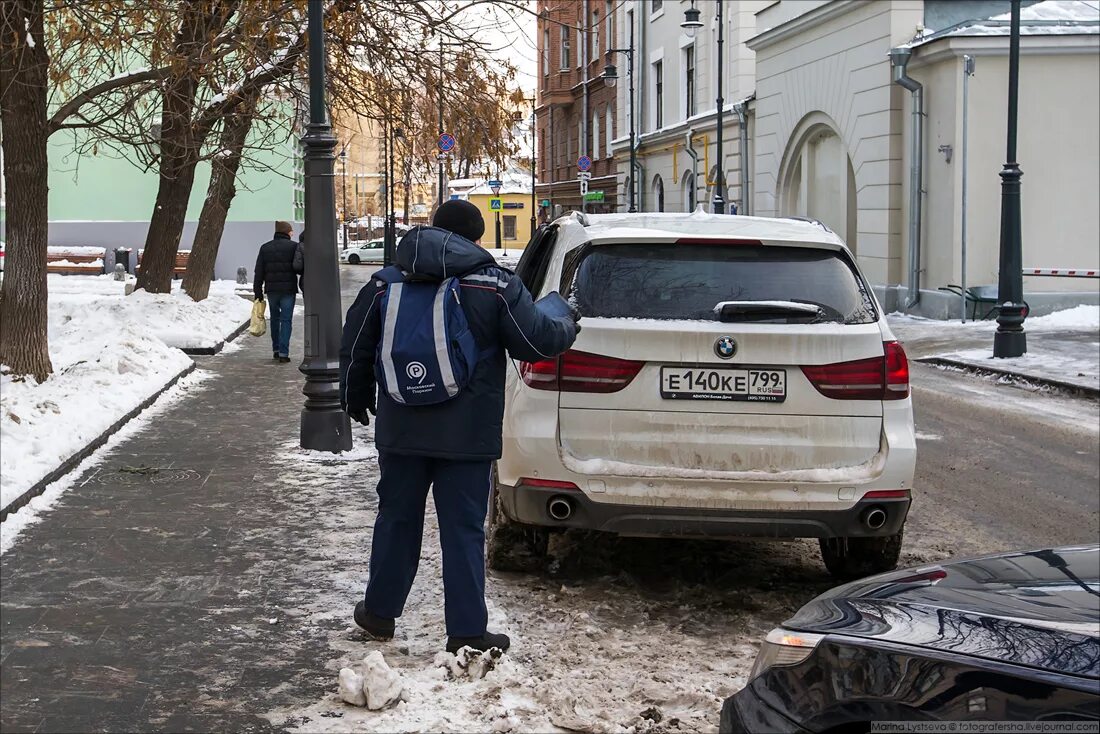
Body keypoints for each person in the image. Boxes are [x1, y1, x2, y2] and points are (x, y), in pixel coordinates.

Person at [339, 200, 579, 654]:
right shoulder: (494, 285)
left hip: (402, 426)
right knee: (463, 529)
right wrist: (566, 318)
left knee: (396, 518)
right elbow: (535, 342)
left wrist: (354, 399)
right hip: (467, 435)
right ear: (476, 237)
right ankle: (467, 631)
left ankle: (379, 613)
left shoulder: (386, 282)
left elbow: (355, 344)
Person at [254, 220, 302, 363]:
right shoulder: (294, 247)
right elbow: (298, 266)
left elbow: (259, 271)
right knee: (286, 320)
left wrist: (258, 292)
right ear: (287, 232)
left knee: (275, 319)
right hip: (288, 290)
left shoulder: (265, 248)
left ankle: (275, 349)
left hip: (272, 290)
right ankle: (283, 353)